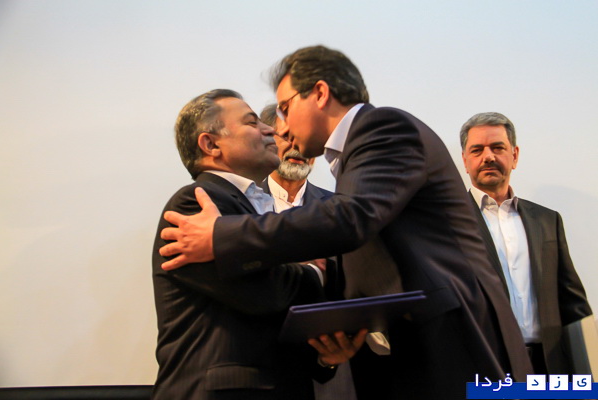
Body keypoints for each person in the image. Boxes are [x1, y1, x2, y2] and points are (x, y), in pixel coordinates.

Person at [158, 46, 533, 399]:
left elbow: (350, 218)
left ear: (320, 94)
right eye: (259, 120)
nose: (279, 128)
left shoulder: (383, 127)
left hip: (450, 337)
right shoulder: (196, 203)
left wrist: (221, 234)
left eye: (285, 108)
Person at [152, 89, 366, 400]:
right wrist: (317, 273)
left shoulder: (256, 209)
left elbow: (276, 319)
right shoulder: (194, 203)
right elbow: (265, 292)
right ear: (211, 144)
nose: (270, 130)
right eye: (252, 122)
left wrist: (323, 358)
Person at [460, 111, 592, 374]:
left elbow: (572, 303)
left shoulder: (547, 220)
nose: (488, 156)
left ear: (515, 155)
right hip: (484, 366)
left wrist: (585, 371)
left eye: (498, 147)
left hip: (548, 365)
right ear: (465, 160)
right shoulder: (448, 223)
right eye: (477, 150)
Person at [260, 105, 357, 400]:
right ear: (266, 140)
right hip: (261, 372)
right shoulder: (239, 205)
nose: (297, 147)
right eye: (287, 136)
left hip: (329, 371)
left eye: (304, 139)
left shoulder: (340, 209)